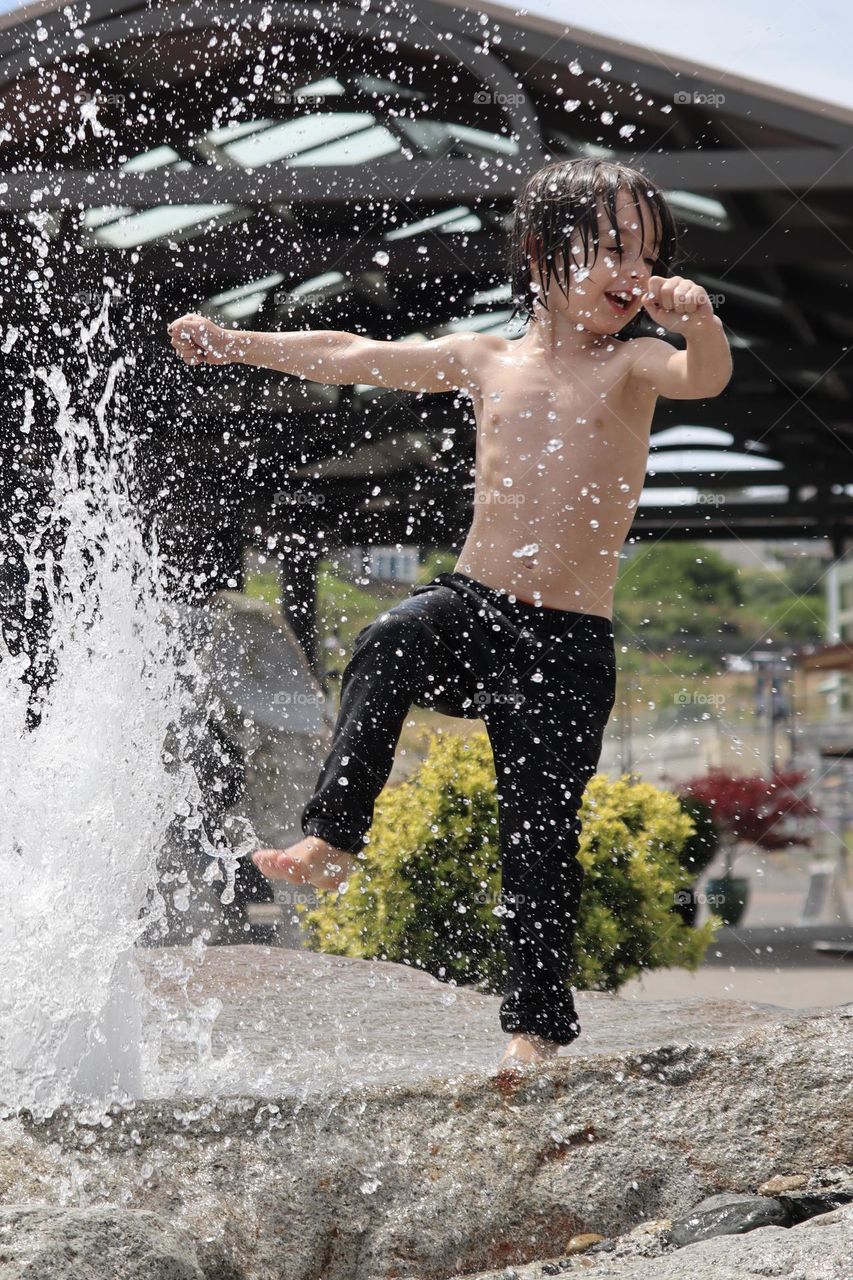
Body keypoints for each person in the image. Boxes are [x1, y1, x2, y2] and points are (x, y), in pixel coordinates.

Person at [167, 157, 732, 1069]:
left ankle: (534, 1032)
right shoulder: (486, 359)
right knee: (388, 636)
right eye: (614, 249)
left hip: (567, 641)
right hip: (471, 608)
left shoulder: (634, 360)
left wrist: (698, 322)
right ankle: (334, 834)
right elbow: (353, 355)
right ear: (545, 254)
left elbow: (701, 380)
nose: (636, 271)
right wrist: (239, 343)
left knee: (537, 837)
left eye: (650, 252)